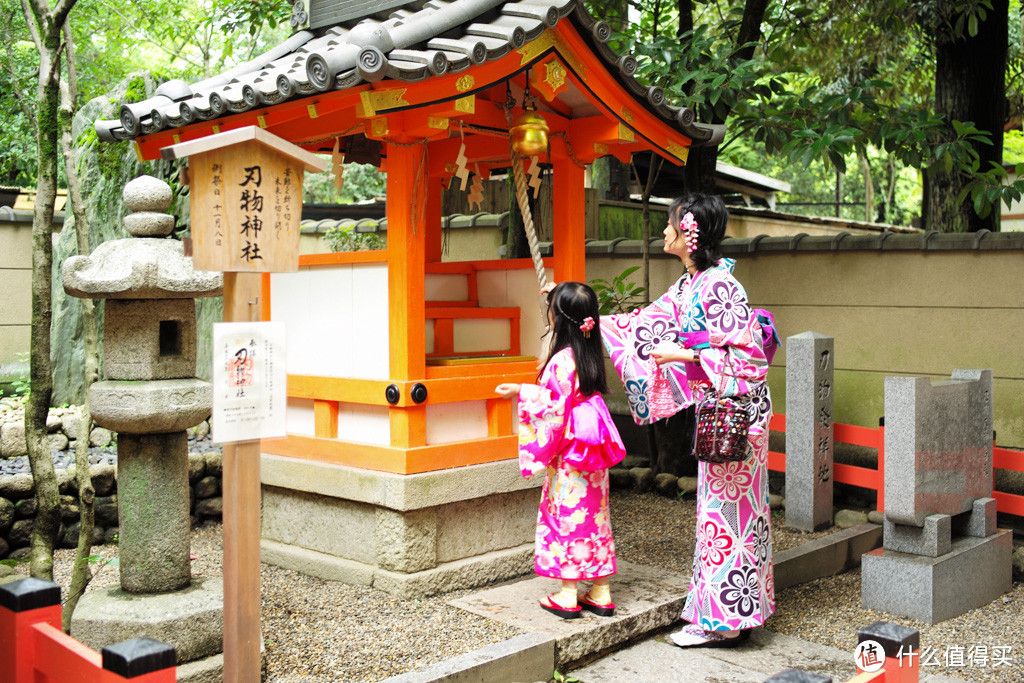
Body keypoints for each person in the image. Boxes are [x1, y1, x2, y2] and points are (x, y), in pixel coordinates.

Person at [600, 193, 778, 647]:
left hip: (737, 411)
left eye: (670, 224)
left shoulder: (721, 286)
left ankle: (725, 623)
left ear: (690, 231)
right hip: (718, 406)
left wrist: (683, 353)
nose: (664, 232)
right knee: (719, 517)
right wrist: (583, 315)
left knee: (728, 517)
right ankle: (732, 612)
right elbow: (643, 323)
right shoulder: (688, 285)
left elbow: (750, 357)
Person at [495, 282, 627, 619]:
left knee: (567, 516)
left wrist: (521, 392)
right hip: (593, 446)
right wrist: (559, 293)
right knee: (595, 516)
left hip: (571, 451)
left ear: (558, 318)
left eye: (552, 309)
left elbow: (553, 407)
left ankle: (568, 593)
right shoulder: (591, 349)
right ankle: (600, 590)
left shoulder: (560, 361)